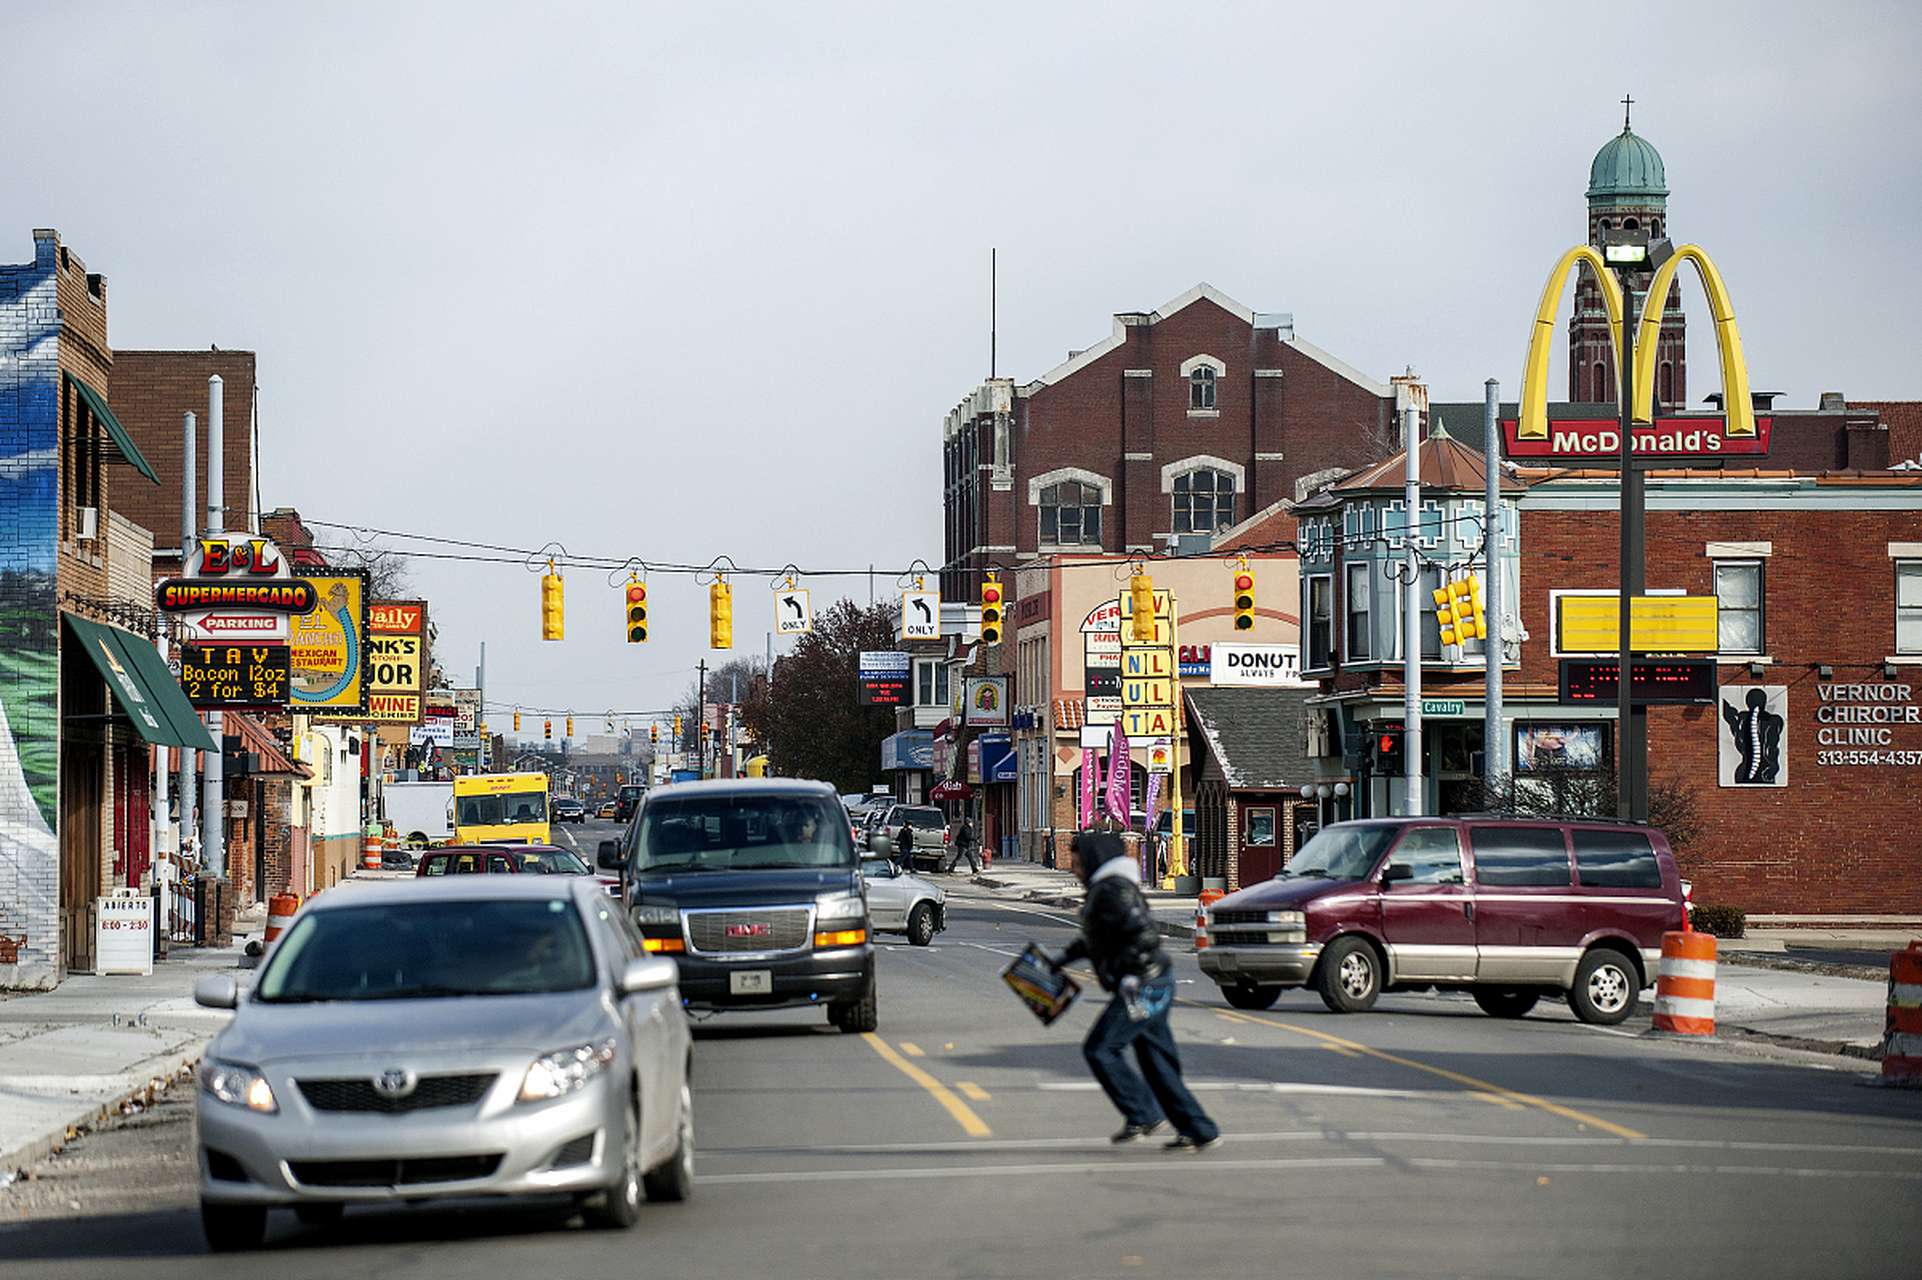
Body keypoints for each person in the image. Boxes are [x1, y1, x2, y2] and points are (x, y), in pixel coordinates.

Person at [1055, 829, 1219, 1152]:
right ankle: (1199, 1129)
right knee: (1156, 1062)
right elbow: (1098, 939)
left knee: (1100, 1048)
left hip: (1144, 987)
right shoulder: (1108, 889)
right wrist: (1063, 958)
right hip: (1153, 983)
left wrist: (1131, 973)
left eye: (1077, 863)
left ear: (1094, 860)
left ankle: (1143, 1114)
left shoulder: (1112, 891)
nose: (1074, 870)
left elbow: (1144, 937)